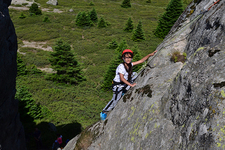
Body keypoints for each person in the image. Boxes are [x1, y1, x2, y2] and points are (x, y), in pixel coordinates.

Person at [100, 49, 157, 120]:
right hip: (118, 86)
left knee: (135, 74)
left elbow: (141, 61)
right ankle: (104, 112)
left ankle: (124, 91)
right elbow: (122, 78)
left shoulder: (130, 64)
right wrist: (131, 85)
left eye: (129, 57)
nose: (128, 59)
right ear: (123, 58)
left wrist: (150, 55)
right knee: (115, 100)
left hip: (124, 83)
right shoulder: (121, 66)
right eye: (126, 57)